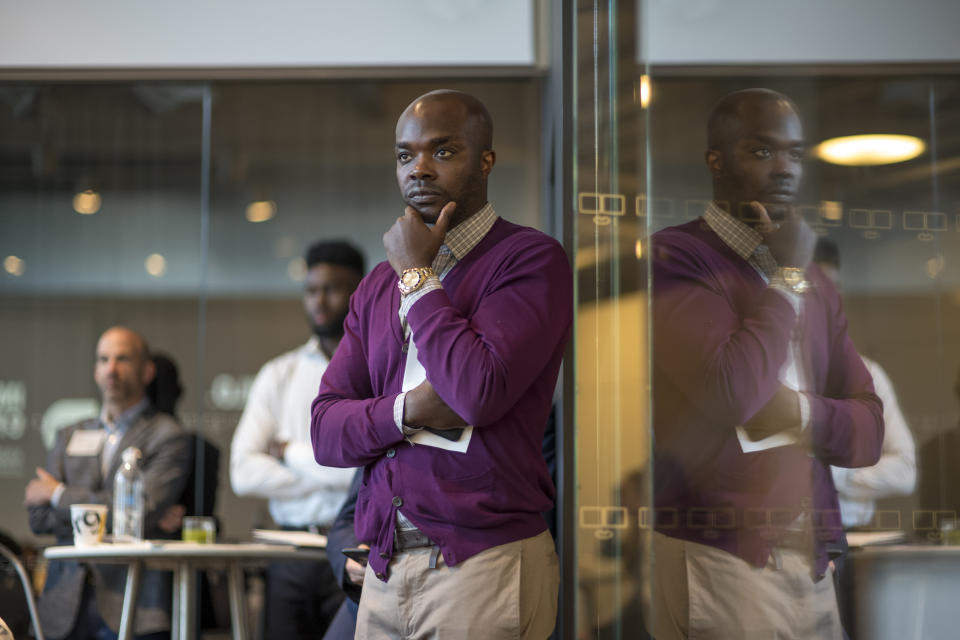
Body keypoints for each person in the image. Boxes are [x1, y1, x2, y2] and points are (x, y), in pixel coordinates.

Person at [311, 89, 572, 639]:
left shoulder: (529, 259)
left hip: (483, 563)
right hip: (383, 568)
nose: (420, 169)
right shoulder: (376, 284)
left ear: (486, 161)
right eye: (406, 155)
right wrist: (409, 411)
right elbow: (326, 431)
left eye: (443, 152)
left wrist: (417, 276)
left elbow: (476, 392)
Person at [649, 89, 884, 639]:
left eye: (795, 154)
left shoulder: (815, 281)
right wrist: (784, 280)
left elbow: (869, 432)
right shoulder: (676, 257)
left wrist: (795, 414)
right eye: (761, 151)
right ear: (717, 161)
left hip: (815, 558)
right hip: (723, 560)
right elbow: (732, 390)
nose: (784, 169)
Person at [230, 240, 364, 640]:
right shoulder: (279, 374)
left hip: (354, 551)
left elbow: (376, 468)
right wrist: (336, 471)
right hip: (288, 553)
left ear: (360, 291)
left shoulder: (379, 370)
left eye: (332, 288)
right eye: (311, 290)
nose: (319, 301)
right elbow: (243, 472)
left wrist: (291, 455)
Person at [25, 326, 192, 640]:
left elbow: (143, 511)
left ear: (147, 371)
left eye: (122, 359)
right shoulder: (68, 433)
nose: (111, 369)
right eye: (103, 359)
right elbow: (39, 518)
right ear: (95, 369)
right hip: (62, 605)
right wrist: (118, 511)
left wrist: (58, 494)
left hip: (134, 602)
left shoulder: (167, 435)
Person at [814, 238, 916, 528]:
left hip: (852, 537)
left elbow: (905, 472)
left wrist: (832, 476)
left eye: (831, 288)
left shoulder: (867, 373)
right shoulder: (768, 371)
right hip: (785, 545)